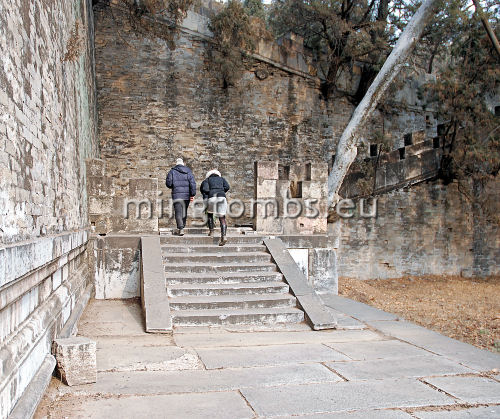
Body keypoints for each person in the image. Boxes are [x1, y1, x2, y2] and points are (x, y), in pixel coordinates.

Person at [166, 158, 196, 236]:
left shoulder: (172, 171)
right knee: (184, 211)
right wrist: (192, 194)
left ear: (176, 163)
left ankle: (180, 228)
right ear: (183, 163)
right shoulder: (188, 171)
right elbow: (192, 184)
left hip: (177, 194)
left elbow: (168, 183)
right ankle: (183, 226)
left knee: (178, 212)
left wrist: (173, 186)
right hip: (186, 195)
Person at [201, 169, 230, 246]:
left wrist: (211, 191)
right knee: (222, 217)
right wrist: (221, 190)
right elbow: (227, 187)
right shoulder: (222, 179)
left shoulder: (207, 180)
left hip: (212, 198)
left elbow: (205, 189)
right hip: (222, 197)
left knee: (210, 214)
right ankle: (223, 236)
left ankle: (211, 231)